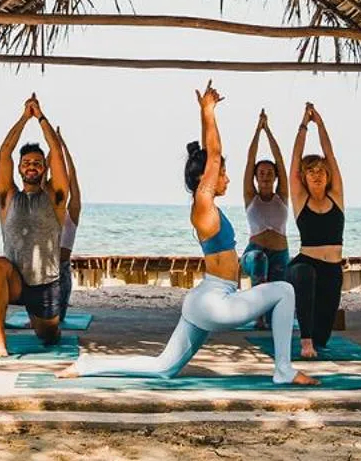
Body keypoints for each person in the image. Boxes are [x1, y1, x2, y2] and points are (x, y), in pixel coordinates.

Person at [61, 83, 317, 386]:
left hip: (207, 298)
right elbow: (214, 155)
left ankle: (88, 365)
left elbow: (209, 155)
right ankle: (284, 370)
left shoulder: (206, 206)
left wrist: (203, 115)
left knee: (162, 368)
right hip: (216, 303)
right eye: (222, 173)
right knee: (285, 291)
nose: (227, 178)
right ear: (204, 178)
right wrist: (209, 113)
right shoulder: (203, 205)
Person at [0, 94, 70, 357]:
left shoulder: (55, 198)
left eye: (37, 163)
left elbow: (56, 153)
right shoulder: (7, 197)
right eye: (26, 163)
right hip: (15, 282)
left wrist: (41, 118)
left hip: (45, 285)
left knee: (49, 338)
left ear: (44, 169)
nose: (31, 166)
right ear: (20, 169)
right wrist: (24, 118)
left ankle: (47, 322)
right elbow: (3, 153)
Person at [285, 101, 346, 359]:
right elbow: (294, 160)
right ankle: (305, 340)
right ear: (304, 178)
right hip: (305, 264)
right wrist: (303, 126)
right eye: (311, 173)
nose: (317, 175)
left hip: (332, 269)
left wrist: (320, 123)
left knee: (324, 337)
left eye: (321, 171)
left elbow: (330, 154)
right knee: (304, 275)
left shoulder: (336, 196)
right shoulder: (301, 200)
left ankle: (314, 336)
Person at [241, 109, 289, 286]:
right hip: (255, 255)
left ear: (275, 176)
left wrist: (267, 130)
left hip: (280, 254)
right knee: (260, 261)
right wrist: (258, 130)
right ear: (256, 177)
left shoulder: (282, 197)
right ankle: (257, 309)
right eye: (261, 172)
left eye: (270, 172)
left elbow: (280, 160)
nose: (266, 176)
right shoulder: (250, 197)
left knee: (277, 295)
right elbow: (250, 159)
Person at [49, 121, 82, 320]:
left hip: (61, 272)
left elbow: (72, 176)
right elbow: (45, 174)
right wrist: (53, 147)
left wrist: (62, 145)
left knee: (56, 321)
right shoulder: (45, 211)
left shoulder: (72, 215)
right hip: (42, 272)